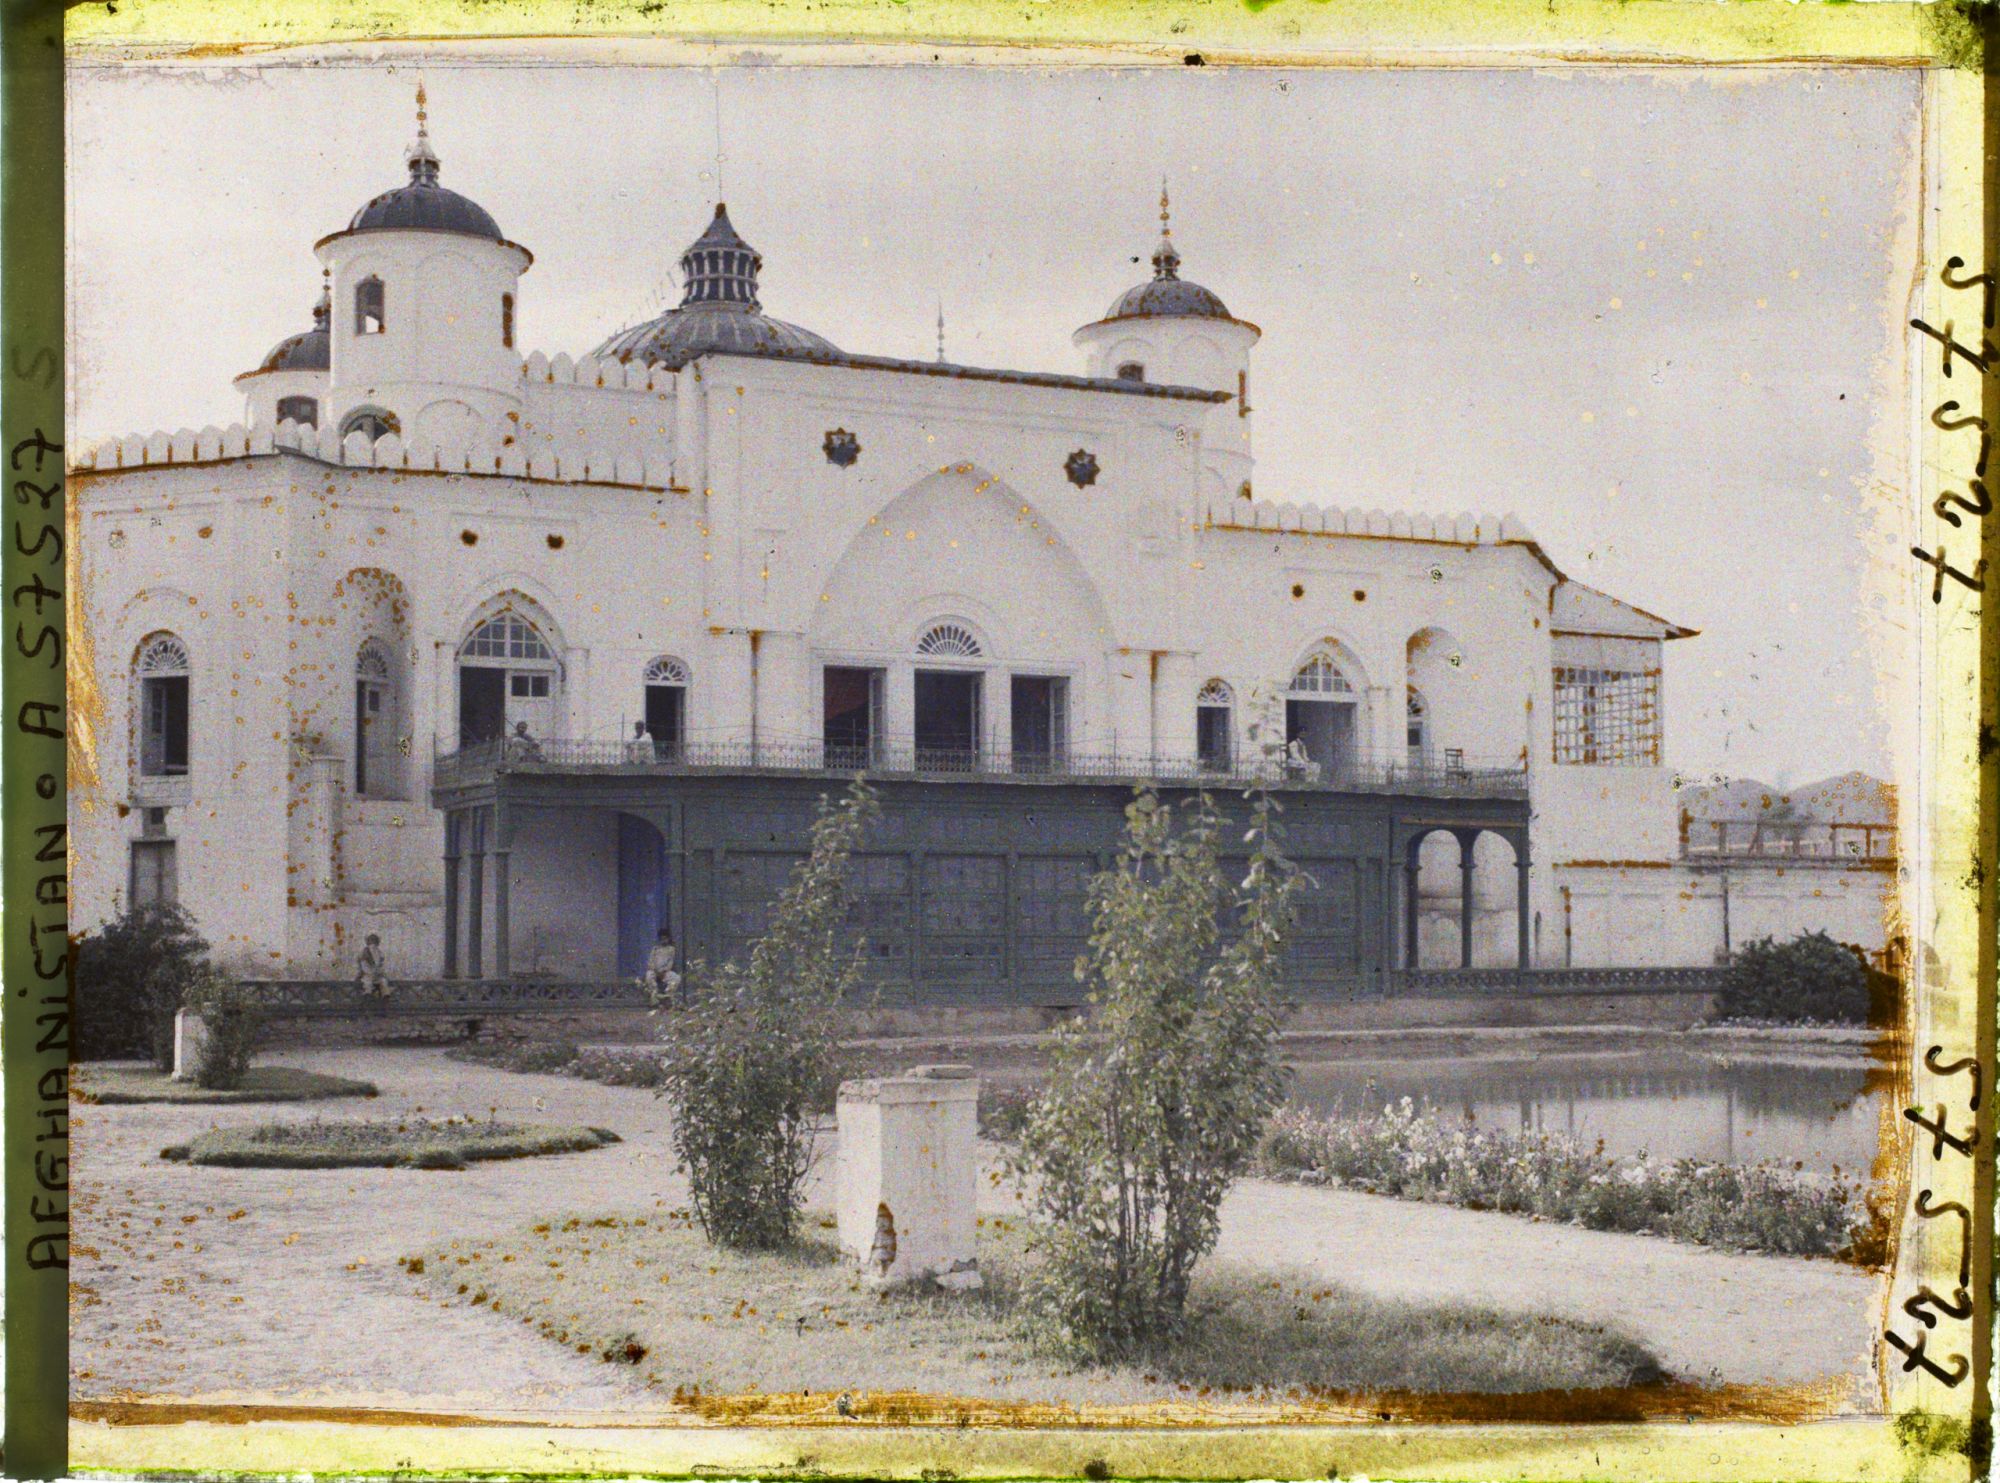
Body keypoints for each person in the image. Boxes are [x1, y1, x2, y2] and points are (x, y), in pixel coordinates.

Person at [641, 927, 681, 1004]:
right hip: (654, 971)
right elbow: (650, 961)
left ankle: (668, 996)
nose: (664, 940)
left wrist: (664, 971)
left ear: (668, 939)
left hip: (665, 972)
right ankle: (654, 998)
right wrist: (655, 971)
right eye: (662, 939)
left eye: (665, 938)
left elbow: (670, 962)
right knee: (648, 976)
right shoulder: (655, 949)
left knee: (677, 978)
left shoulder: (671, 949)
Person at [356, 933, 390, 997]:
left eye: (375, 941)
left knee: (383, 981)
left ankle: (385, 996)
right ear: (368, 942)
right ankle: (367, 995)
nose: (373, 943)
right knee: (367, 982)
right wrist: (371, 972)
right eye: (371, 940)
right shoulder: (364, 952)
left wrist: (379, 971)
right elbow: (364, 966)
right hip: (367, 974)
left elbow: (382, 965)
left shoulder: (379, 953)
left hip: (377, 975)